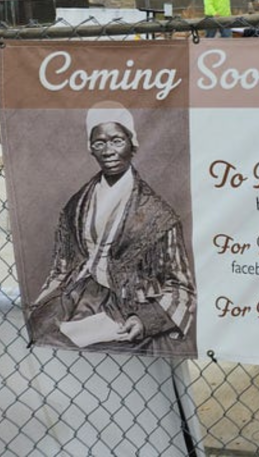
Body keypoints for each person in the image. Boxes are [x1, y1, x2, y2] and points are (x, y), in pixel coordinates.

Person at [27, 102, 196, 357]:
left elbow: (182, 289)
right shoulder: (75, 207)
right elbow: (60, 270)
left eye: (117, 140)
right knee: (41, 332)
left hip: (129, 306)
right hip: (78, 296)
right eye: (99, 143)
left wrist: (144, 320)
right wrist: (45, 306)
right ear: (91, 149)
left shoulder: (159, 216)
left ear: (132, 144)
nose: (108, 151)